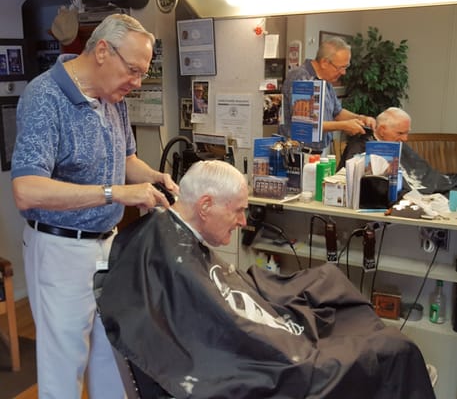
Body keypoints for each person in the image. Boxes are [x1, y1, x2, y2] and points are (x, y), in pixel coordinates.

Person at [97, 160, 435, 399]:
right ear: (205, 206)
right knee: (396, 349)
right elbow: (214, 325)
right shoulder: (166, 254)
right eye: (237, 211)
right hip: (264, 359)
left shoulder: (171, 238)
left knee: (327, 282)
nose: (244, 221)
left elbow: (215, 298)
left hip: (243, 324)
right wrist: (279, 340)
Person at [10, 14, 178, 399]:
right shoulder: (44, 97)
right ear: (102, 51)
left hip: (109, 246)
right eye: (133, 70)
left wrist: (153, 177)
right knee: (64, 372)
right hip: (61, 250)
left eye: (141, 73)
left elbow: (126, 160)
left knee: (113, 359)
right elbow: (26, 189)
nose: (136, 83)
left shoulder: (111, 97)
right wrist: (115, 193)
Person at [280, 37, 376, 154]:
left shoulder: (326, 82)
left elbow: (337, 113)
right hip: (298, 153)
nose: (343, 72)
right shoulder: (301, 78)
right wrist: (344, 126)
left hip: (318, 151)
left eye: (346, 67)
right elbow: (306, 123)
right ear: (325, 62)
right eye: (341, 67)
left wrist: (361, 118)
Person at [337, 107, 457, 195]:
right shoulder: (361, 146)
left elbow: (423, 172)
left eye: (407, 133)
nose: (405, 139)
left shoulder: (396, 142)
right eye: (400, 133)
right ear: (382, 130)